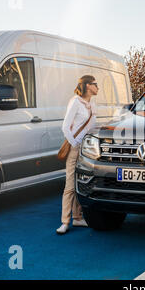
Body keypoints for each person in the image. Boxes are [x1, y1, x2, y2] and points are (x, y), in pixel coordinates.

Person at [56, 75, 98, 235]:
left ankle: (78, 218)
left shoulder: (92, 104)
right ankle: (65, 222)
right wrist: (75, 144)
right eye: (95, 84)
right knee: (70, 186)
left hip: (88, 150)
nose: (98, 87)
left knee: (83, 183)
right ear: (88, 86)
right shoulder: (75, 102)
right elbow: (65, 127)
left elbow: (92, 127)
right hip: (75, 148)